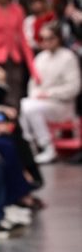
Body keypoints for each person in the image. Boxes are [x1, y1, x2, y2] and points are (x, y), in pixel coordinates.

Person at [20, 21, 81, 164]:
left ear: (58, 38)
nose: (46, 42)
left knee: (29, 107)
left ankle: (47, 146)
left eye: (50, 38)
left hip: (62, 106)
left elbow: (74, 87)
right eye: (43, 39)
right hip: (40, 103)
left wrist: (49, 94)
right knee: (25, 104)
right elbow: (32, 84)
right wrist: (36, 95)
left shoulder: (68, 57)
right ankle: (30, 145)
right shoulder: (40, 58)